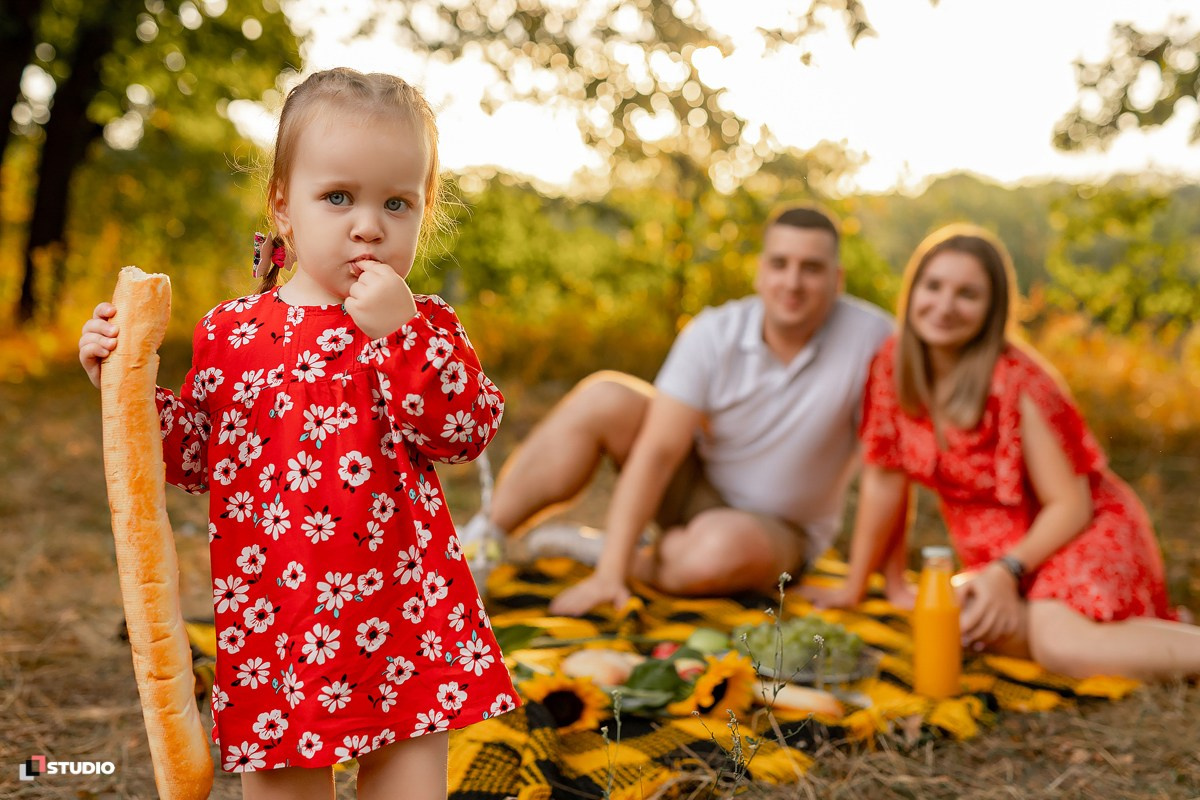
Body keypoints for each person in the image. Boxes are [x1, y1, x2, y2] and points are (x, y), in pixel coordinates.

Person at [79, 68, 517, 799]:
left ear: (423, 211)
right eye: (338, 197)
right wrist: (123, 388)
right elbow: (194, 454)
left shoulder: (424, 325)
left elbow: (465, 430)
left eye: (397, 203)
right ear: (283, 205)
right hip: (279, 627)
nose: (368, 224)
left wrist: (401, 338)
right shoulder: (233, 332)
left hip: (401, 619)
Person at [807, 223, 1200, 681]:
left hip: (1080, 535)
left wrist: (1005, 572)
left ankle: (1144, 640)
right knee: (957, 621)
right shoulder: (892, 365)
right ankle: (1145, 639)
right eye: (933, 286)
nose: (944, 306)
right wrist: (857, 585)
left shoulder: (1021, 383)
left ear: (992, 308)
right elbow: (884, 480)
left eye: (967, 294)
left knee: (1059, 647)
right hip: (1002, 565)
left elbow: (1071, 506)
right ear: (913, 290)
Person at [461, 206, 894, 617]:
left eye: (812, 268)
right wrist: (607, 579)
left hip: (778, 532)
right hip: (696, 487)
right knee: (606, 396)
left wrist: (876, 583)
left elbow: (890, 467)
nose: (793, 282)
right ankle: (479, 546)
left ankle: (606, 552)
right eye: (780, 263)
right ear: (761, 271)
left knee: (719, 551)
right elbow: (658, 451)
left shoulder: (874, 338)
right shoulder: (714, 331)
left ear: (837, 280)